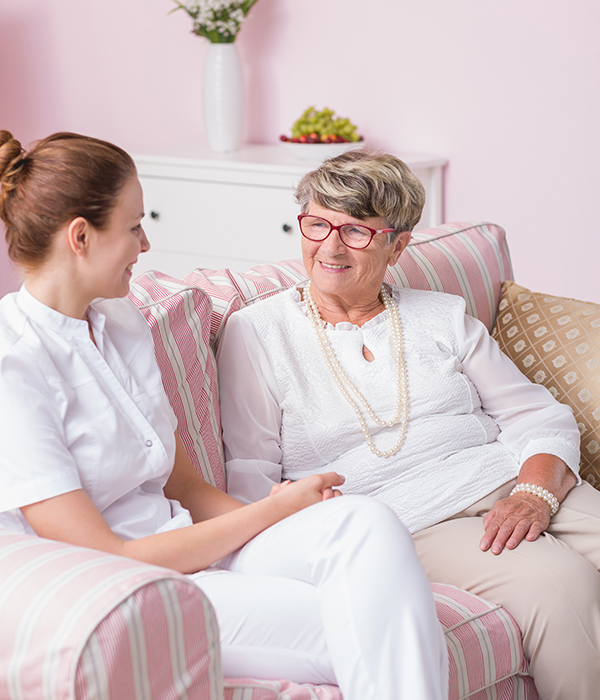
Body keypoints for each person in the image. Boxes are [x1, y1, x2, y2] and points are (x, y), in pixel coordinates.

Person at [0, 131, 448, 700]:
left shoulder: (119, 322)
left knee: (364, 522)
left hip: (190, 544)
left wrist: (278, 520)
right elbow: (106, 556)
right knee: (388, 631)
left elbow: (183, 483)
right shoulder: (13, 365)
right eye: (135, 226)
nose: (146, 243)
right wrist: (273, 510)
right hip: (130, 588)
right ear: (81, 237)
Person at [217, 149, 600, 700]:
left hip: (509, 478)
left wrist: (536, 492)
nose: (329, 246)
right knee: (562, 587)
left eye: (356, 232)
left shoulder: (440, 314)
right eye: (318, 223)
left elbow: (534, 414)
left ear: (398, 245)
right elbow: (251, 471)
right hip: (411, 518)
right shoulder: (257, 333)